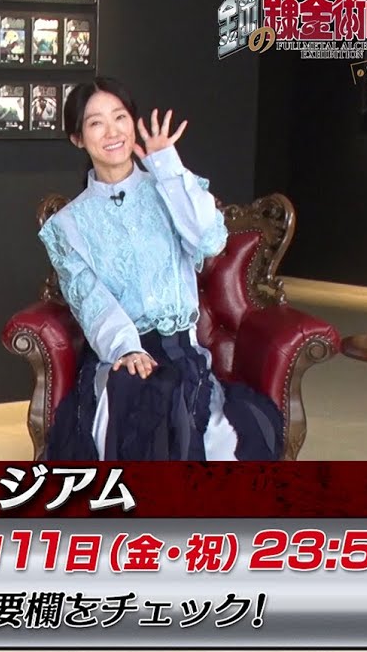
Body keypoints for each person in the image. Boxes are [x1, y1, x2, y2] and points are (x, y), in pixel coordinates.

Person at [38, 77, 283, 461]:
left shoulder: (168, 186)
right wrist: (126, 349)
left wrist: (167, 164)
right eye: (96, 123)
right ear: (78, 139)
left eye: (120, 117)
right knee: (132, 393)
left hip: (179, 349)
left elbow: (209, 240)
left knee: (180, 404)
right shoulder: (68, 224)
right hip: (119, 351)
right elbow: (90, 300)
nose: (112, 131)